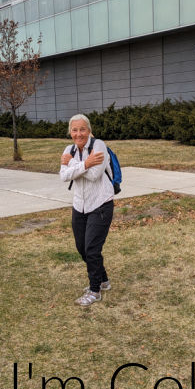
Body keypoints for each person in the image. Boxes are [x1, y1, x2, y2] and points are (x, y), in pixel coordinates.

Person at [60, 114, 114, 306]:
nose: (78, 133)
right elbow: (63, 176)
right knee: (82, 249)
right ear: (70, 132)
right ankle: (104, 280)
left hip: (100, 204)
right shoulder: (69, 149)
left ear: (89, 130)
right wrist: (84, 163)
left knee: (92, 248)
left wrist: (73, 163)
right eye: (74, 130)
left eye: (82, 129)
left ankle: (94, 290)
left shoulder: (99, 146)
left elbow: (93, 175)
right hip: (79, 205)